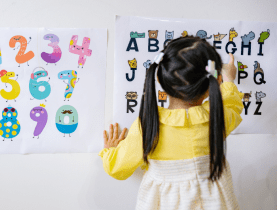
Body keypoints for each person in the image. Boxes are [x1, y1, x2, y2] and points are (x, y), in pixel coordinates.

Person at [99, 36, 244, 209]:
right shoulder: (218, 117)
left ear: (160, 80)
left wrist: (110, 151)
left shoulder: (148, 125)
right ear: (212, 84)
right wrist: (228, 80)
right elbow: (232, 104)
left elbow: (118, 167)